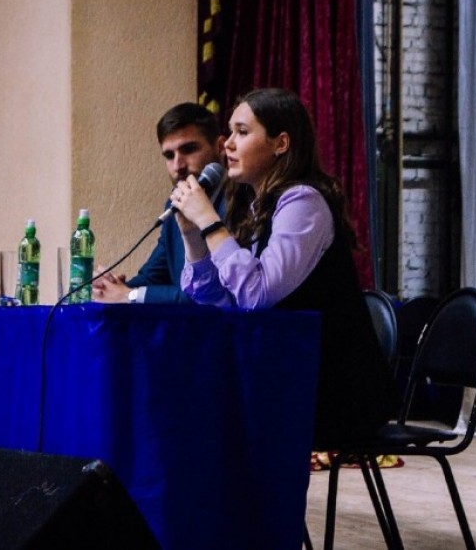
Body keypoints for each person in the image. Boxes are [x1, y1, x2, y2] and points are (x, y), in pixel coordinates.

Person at [169, 87, 393, 444]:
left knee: (194, 407)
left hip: (334, 389)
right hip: (286, 376)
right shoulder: (258, 207)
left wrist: (211, 222)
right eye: (230, 131)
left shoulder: (304, 202)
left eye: (242, 132)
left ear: (281, 143)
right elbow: (225, 303)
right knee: (179, 391)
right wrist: (192, 236)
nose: (228, 144)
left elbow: (258, 295)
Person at [92, 102, 226, 304]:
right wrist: (112, 287)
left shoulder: (241, 201)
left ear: (220, 147)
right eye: (169, 156)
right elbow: (154, 276)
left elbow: (215, 294)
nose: (178, 166)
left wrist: (129, 295)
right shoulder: (175, 205)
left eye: (189, 149)